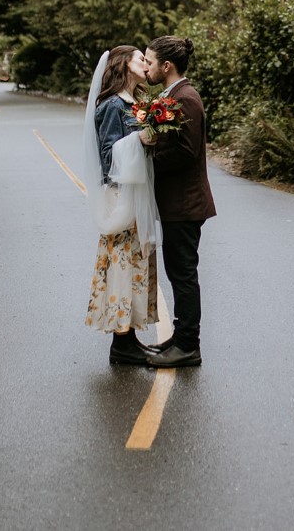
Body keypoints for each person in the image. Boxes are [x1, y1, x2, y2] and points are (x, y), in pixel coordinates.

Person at [83, 46, 160, 366]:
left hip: (137, 192)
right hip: (120, 195)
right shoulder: (112, 106)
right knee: (122, 265)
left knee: (137, 263)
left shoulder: (137, 104)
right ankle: (121, 343)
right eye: (140, 58)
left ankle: (130, 338)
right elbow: (107, 156)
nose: (146, 62)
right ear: (123, 65)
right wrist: (139, 140)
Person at [143, 35, 216, 368]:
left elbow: (185, 153)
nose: (147, 67)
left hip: (185, 204)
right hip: (178, 204)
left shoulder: (185, 99)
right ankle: (180, 336)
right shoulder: (173, 96)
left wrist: (146, 158)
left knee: (183, 274)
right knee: (178, 272)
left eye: (150, 61)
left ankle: (189, 346)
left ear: (166, 66)